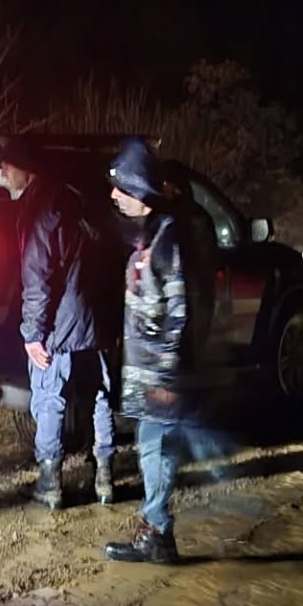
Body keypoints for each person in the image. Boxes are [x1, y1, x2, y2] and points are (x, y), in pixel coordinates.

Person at [104, 137, 217, 564]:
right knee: (154, 446)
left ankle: (158, 534)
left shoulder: (169, 241)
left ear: (143, 196)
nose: (113, 196)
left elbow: (181, 312)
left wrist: (169, 376)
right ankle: (157, 533)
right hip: (149, 373)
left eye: (121, 189)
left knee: (158, 448)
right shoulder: (152, 234)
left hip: (160, 376)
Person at [0, 136, 122, 510]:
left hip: (61, 325)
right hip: (95, 319)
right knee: (99, 395)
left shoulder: (38, 207)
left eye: (7, 166)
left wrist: (33, 334)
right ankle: (105, 478)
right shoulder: (78, 198)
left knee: (49, 398)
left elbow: (37, 276)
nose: (2, 173)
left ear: (25, 169)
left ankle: (50, 484)